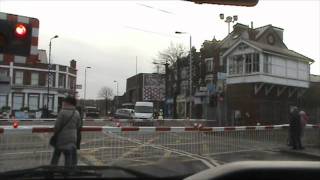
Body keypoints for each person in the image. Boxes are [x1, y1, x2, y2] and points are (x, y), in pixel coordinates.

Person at [50, 96, 81, 167]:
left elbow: (57, 126)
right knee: (70, 158)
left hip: (61, 139)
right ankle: (68, 173)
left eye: (64, 102)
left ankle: (51, 171)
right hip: (73, 139)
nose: (63, 103)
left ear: (68, 103)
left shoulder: (62, 112)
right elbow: (78, 125)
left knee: (56, 157)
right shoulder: (76, 113)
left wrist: (55, 133)